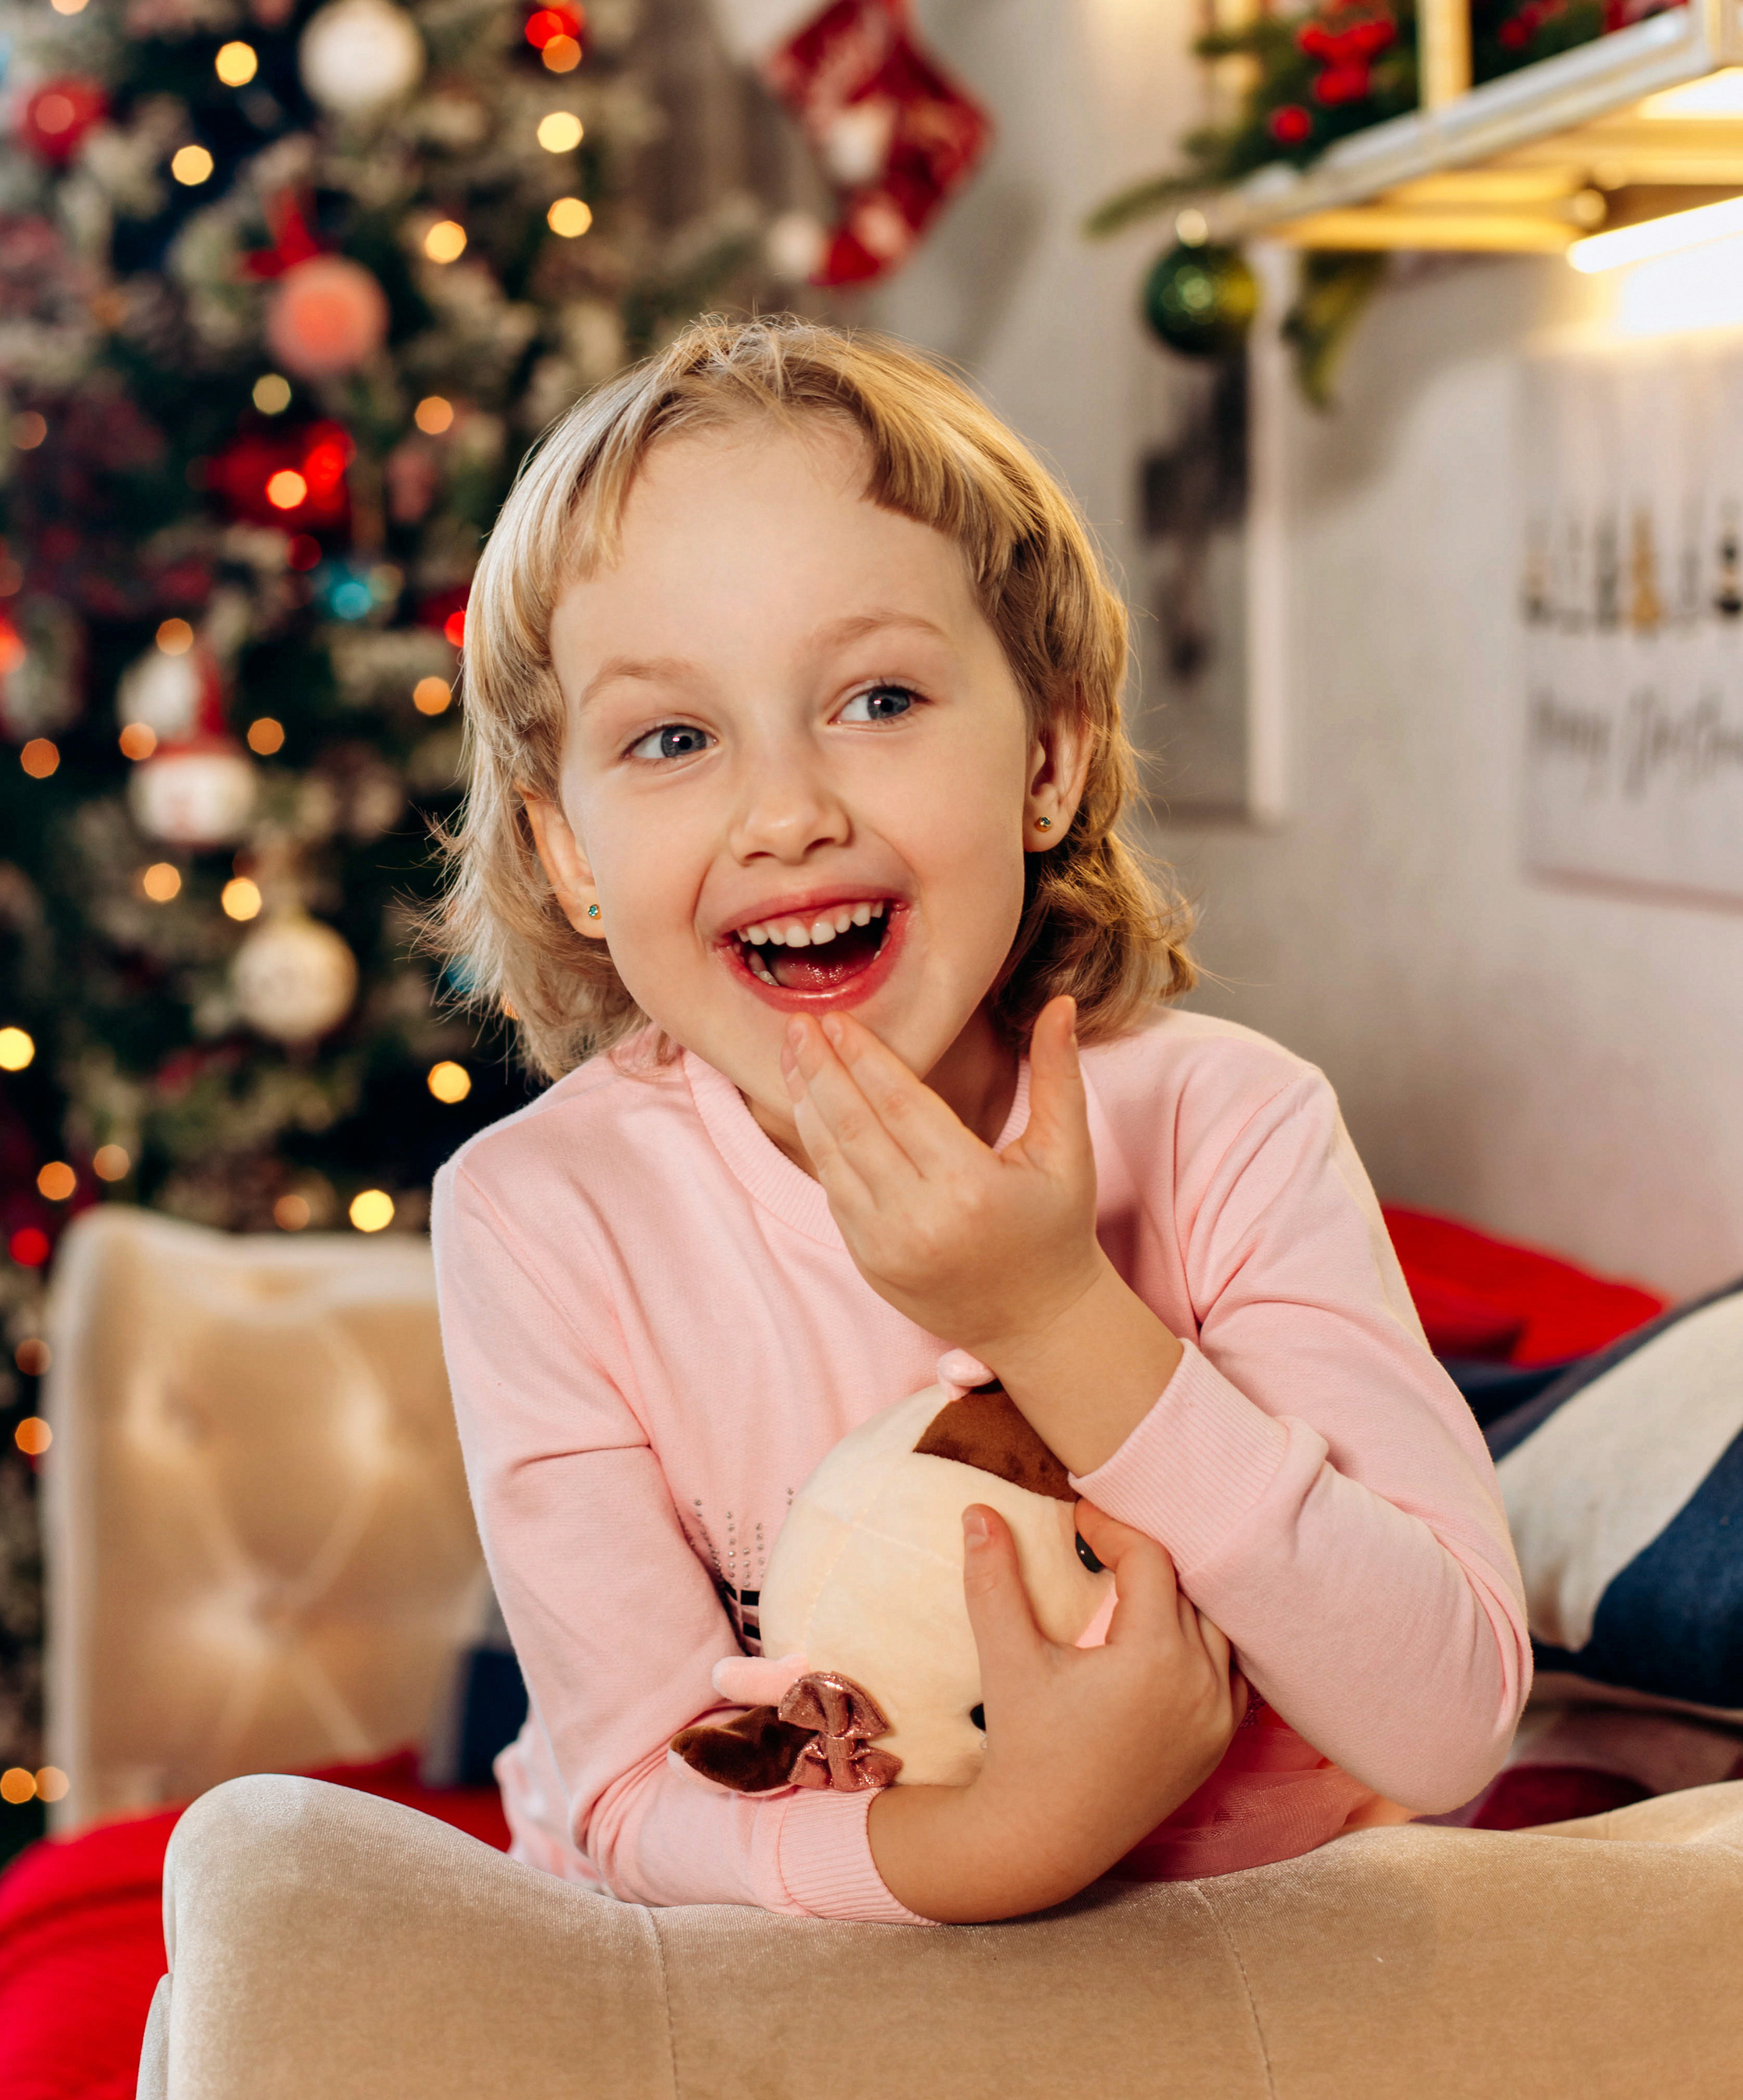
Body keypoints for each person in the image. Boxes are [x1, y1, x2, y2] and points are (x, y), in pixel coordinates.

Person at [431, 317, 1528, 1924]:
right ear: (569, 851)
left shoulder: (1233, 1129)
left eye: (876, 698)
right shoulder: (540, 1216)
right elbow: (628, 1793)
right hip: (750, 2012)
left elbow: (1446, 1723)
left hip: (1208, 2019)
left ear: (1045, 756)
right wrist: (1008, 1838)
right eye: (672, 738)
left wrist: (1051, 1312)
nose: (787, 812)